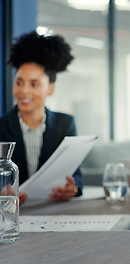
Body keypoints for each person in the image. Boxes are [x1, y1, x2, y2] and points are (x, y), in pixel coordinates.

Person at [0, 31, 82, 205]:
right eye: (19, 82)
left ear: (50, 88)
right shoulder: (1, 127)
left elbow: (76, 176)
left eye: (34, 84)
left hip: (54, 211)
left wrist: (72, 188)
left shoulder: (65, 124)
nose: (24, 91)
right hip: (12, 214)